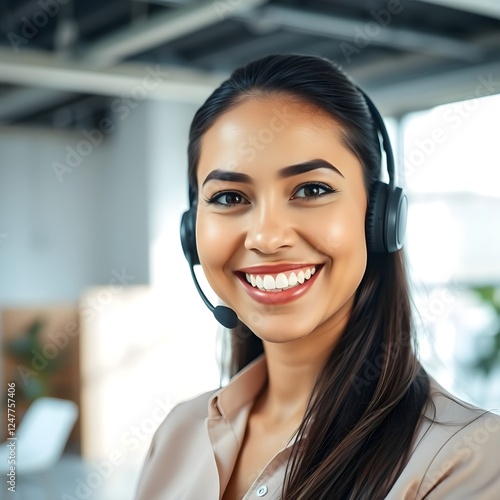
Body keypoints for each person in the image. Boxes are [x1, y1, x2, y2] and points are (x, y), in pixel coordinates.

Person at [134, 53, 500, 499]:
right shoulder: (178, 434)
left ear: (379, 218)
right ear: (192, 232)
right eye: (230, 197)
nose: (267, 238)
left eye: (312, 189)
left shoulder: (466, 459)